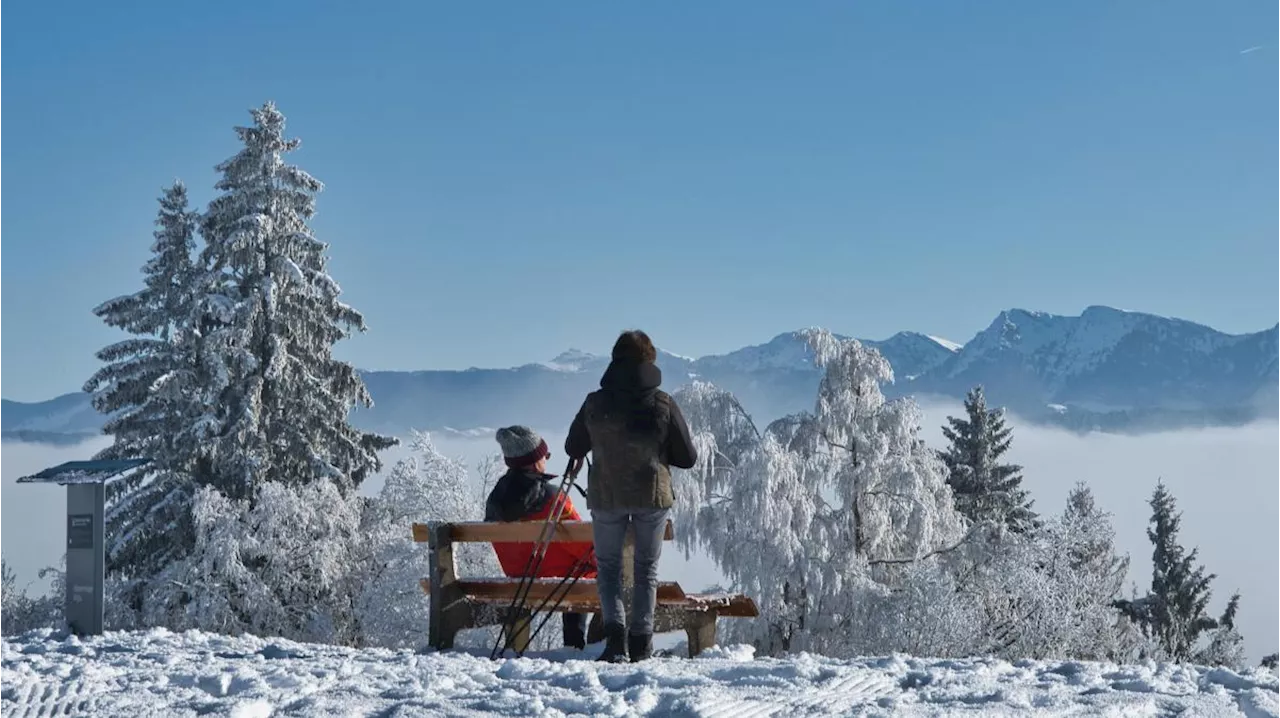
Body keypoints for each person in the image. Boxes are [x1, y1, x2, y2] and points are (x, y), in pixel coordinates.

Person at [564, 329, 698, 662]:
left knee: (608, 568)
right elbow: (688, 457)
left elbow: (572, 447)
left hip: (606, 495)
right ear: (649, 361)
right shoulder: (663, 403)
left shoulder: (595, 402)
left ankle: (614, 640)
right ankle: (641, 643)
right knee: (645, 570)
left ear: (615, 360)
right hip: (652, 497)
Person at [485, 425, 598, 651]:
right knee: (600, 571)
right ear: (534, 460)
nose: (546, 460)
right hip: (562, 582)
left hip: (518, 579)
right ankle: (581, 646)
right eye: (545, 455)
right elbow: (585, 547)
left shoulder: (496, 498)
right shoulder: (551, 497)